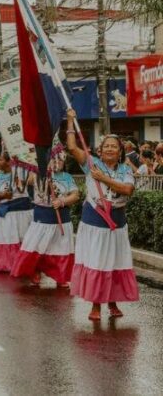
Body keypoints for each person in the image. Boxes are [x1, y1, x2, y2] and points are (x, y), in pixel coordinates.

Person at [66, 109, 139, 320]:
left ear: (120, 151)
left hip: (116, 222)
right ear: (101, 149)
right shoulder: (92, 164)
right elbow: (72, 146)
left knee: (115, 262)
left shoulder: (125, 170)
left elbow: (128, 190)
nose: (109, 149)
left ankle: (113, 303)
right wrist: (71, 121)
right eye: (106, 146)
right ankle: (96, 305)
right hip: (95, 221)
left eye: (113, 146)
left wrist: (104, 179)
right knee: (98, 261)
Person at [11, 154, 79, 287]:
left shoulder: (67, 177)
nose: (56, 162)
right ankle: (35, 270)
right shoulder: (37, 174)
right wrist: (19, 163)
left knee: (60, 249)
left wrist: (62, 201)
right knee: (38, 247)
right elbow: (23, 181)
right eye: (53, 160)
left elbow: (75, 195)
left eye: (60, 160)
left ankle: (61, 275)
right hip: (42, 218)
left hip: (61, 219)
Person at [0, 153, 34, 273]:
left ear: (9, 162)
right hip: (6, 213)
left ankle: (24, 264)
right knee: (7, 239)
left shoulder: (20, 170)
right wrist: (3, 195)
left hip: (23, 211)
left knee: (24, 239)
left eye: (1, 159)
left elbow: (31, 176)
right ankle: (7, 265)